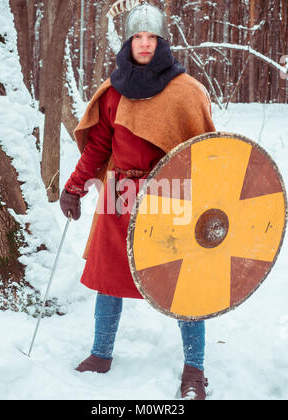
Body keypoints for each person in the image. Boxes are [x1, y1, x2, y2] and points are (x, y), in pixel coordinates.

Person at [60, 3, 215, 400]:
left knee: (181, 282)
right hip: (120, 192)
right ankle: (100, 354)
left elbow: (208, 155)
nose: (144, 44)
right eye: (137, 37)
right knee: (108, 278)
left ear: (162, 41)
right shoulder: (113, 92)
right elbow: (98, 146)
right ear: (128, 41)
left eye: (151, 37)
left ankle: (194, 369)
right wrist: (74, 186)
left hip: (170, 193)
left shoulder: (187, 91)